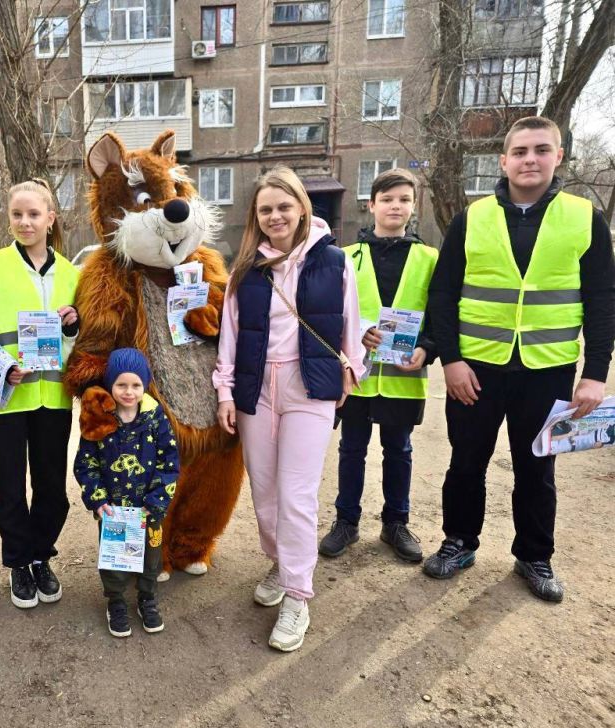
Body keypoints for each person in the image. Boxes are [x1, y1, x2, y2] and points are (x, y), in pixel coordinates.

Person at [424, 115, 615, 602]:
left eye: (541, 150)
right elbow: (442, 294)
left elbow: (601, 300)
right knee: (466, 463)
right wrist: (451, 360)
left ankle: (535, 555)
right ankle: (459, 542)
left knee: (537, 471)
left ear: (558, 157)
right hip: (476, 369)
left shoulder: (583, 217)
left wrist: (594, 375)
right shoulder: (473, 217)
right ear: (504, 160)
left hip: (546, 369)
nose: (531, 159)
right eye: (521, 151)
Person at [213, 166, 367, 652]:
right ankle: (281, 563)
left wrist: (351, 368)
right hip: (257, 389)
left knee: (297, 494)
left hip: (309, 388)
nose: (276, 216)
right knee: (264, 492)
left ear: (302, 207)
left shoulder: (335, 261)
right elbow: (230, 337)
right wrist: (225, 391)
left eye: (284, 206)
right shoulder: (246, 272)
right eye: (265, 209)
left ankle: (298, 595)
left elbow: (351, 321)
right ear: (255, 218)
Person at [0, 179, 80, 609]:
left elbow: (75, 345)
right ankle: (18, 563)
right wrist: (4, 366)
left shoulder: (72, 274)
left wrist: (71, 327)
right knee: (8, 486)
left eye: (34, 214)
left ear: (51, 218)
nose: (25, 222)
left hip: (53, 400)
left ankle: (41, 555)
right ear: (8, 218)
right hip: (4, 399)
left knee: (51, 488)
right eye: (17, 214)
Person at [319, 168, 439, 563]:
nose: (395, 206)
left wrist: (427, 347)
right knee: (352, 449)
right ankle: (346, 521)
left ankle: (395, 523)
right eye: (387, 199)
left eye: (404, 199)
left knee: (399, 451)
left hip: (405, 376)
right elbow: (330, 312)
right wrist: (356, 337)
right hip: (358, 376)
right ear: (371, 206)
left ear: (413, 206)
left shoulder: (429, 258)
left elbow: (440, 314)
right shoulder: (347, 257)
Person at [73, 348, 179, 637]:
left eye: (135, 385)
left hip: (148, 511)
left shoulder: (156, 418)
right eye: (121, 385)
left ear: (144, 385)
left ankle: (147, 598)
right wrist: (97, 500)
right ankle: (116, 601)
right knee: (114, 557)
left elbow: (169, 462)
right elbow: (86, 464)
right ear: (111, 385)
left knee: (150, 557)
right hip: (114, 512)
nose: (128, 392)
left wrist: (157, 500)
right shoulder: (100, 418)